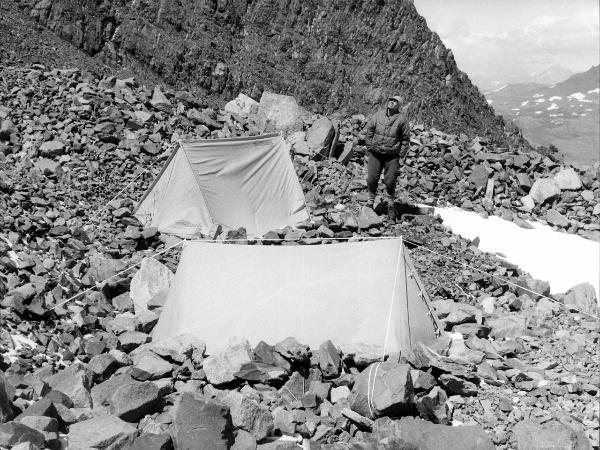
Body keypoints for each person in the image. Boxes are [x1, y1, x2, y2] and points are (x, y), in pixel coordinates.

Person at [362, 95, 410, 220]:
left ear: (399, 105)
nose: (391, 102)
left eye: (395, 101)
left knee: (390, 181)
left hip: (392, 156)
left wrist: (401, 156)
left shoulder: (402, 120)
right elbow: (370, 130)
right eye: (391, 100)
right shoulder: (378, 115)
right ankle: (370, 202)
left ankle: (390, 205)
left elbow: (405, 139)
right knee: (372, 179)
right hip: (376, 153)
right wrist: (369, 146)